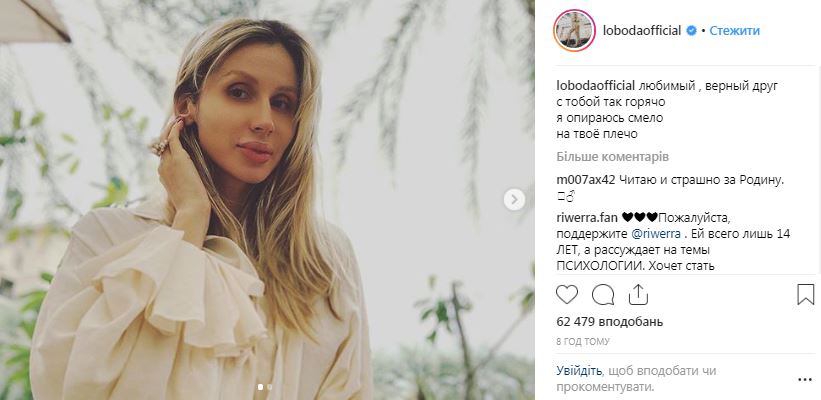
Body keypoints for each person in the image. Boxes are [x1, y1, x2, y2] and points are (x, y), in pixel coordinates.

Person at [29, 18, 372, 399]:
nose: (264, 121)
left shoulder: (326, 258)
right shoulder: (108, 236)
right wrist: (190, 221)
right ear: (187, 104)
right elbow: (74, 387)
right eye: (239, 92)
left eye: (282, 103)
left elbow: (352, 389)